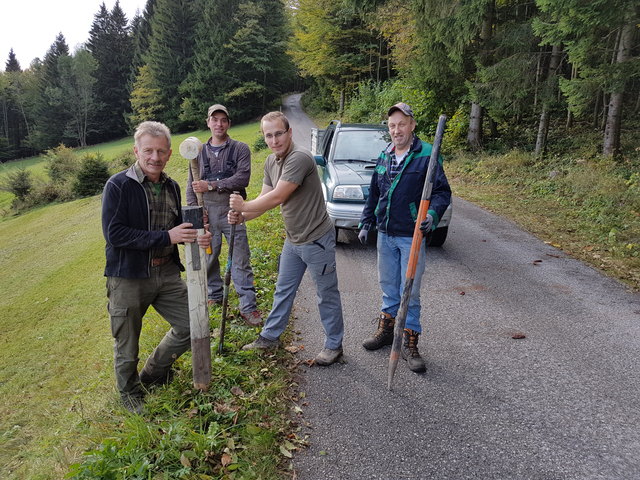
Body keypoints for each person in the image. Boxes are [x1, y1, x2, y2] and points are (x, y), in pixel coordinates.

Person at [102, 121, 212, 414]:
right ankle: (129, 394)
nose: (155, 157)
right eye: (148, 150)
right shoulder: (119, 185)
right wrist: (167, 237)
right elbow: (115, 234)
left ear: (169, 154)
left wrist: (198, 235)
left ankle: (152, 372)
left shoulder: (173, 186)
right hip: (128, 278)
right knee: (127, 346)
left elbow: (178, 228)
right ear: (136, 150)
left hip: (166, 274)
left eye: (161, 151)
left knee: (194, 324)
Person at [227, 111, 344, 366]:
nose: (274, 140)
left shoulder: (299, 158)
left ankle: (334, 346)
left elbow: (279, 196)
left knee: (326, 293)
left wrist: (243, 205)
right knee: (283, 290)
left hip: (316, 239)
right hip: (293, 240)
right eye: (268, 135)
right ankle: (270, 337)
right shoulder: (271, 162)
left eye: (279, 133)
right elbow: (265, 201)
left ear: (289, 133)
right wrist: (244, 217)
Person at [358, 102, 451, 373]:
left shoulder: (427, 155)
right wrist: (366, 222)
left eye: (401, 124)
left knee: (409, 291)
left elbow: (442, 192)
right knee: (388, 286)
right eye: (392, 125)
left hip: (411, 235)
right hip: (385, 234)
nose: (396, 130)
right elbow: (374, 193)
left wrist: (432, 215)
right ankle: (387, 331)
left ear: (412, 125)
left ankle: (410, 342)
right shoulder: (384, 156)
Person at [186, 104, 261, 326]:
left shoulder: (240, 149)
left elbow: (242, 179)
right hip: (207, 212)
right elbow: (192, 186)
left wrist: (210, 185)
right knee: (209, 257)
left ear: (228, 123)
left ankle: (248, 307)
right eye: (214, 119)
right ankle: (214, 295)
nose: (219, 124)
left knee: (240, 260)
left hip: (233, 211)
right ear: (208, 122)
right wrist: (198, 214)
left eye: (223, 120)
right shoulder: (197, 153)